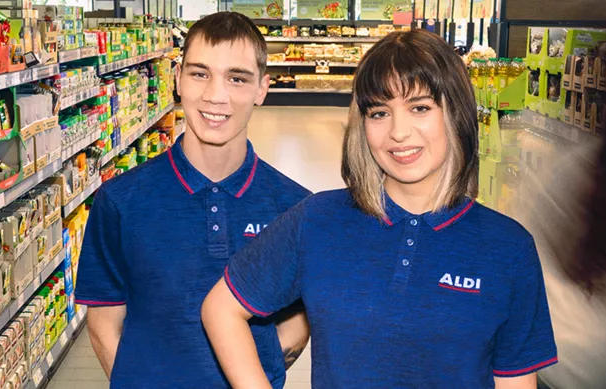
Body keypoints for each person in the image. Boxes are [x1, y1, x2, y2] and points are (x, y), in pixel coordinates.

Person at [200, 30, 557, 388]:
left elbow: (515, 379)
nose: (398, 132)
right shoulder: (318, 220)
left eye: (420, 107)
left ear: (456, 111)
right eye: (379, 112)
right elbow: (222, 309)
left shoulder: (508, 247)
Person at [74, 11, 313, 389]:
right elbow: (104, 323)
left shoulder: (296, 207)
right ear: (177, 79)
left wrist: (251, 371)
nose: (215, 96)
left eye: (237, 78)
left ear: (262, 89)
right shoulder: (119, 201)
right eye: (200, 73)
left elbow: (298, 321)